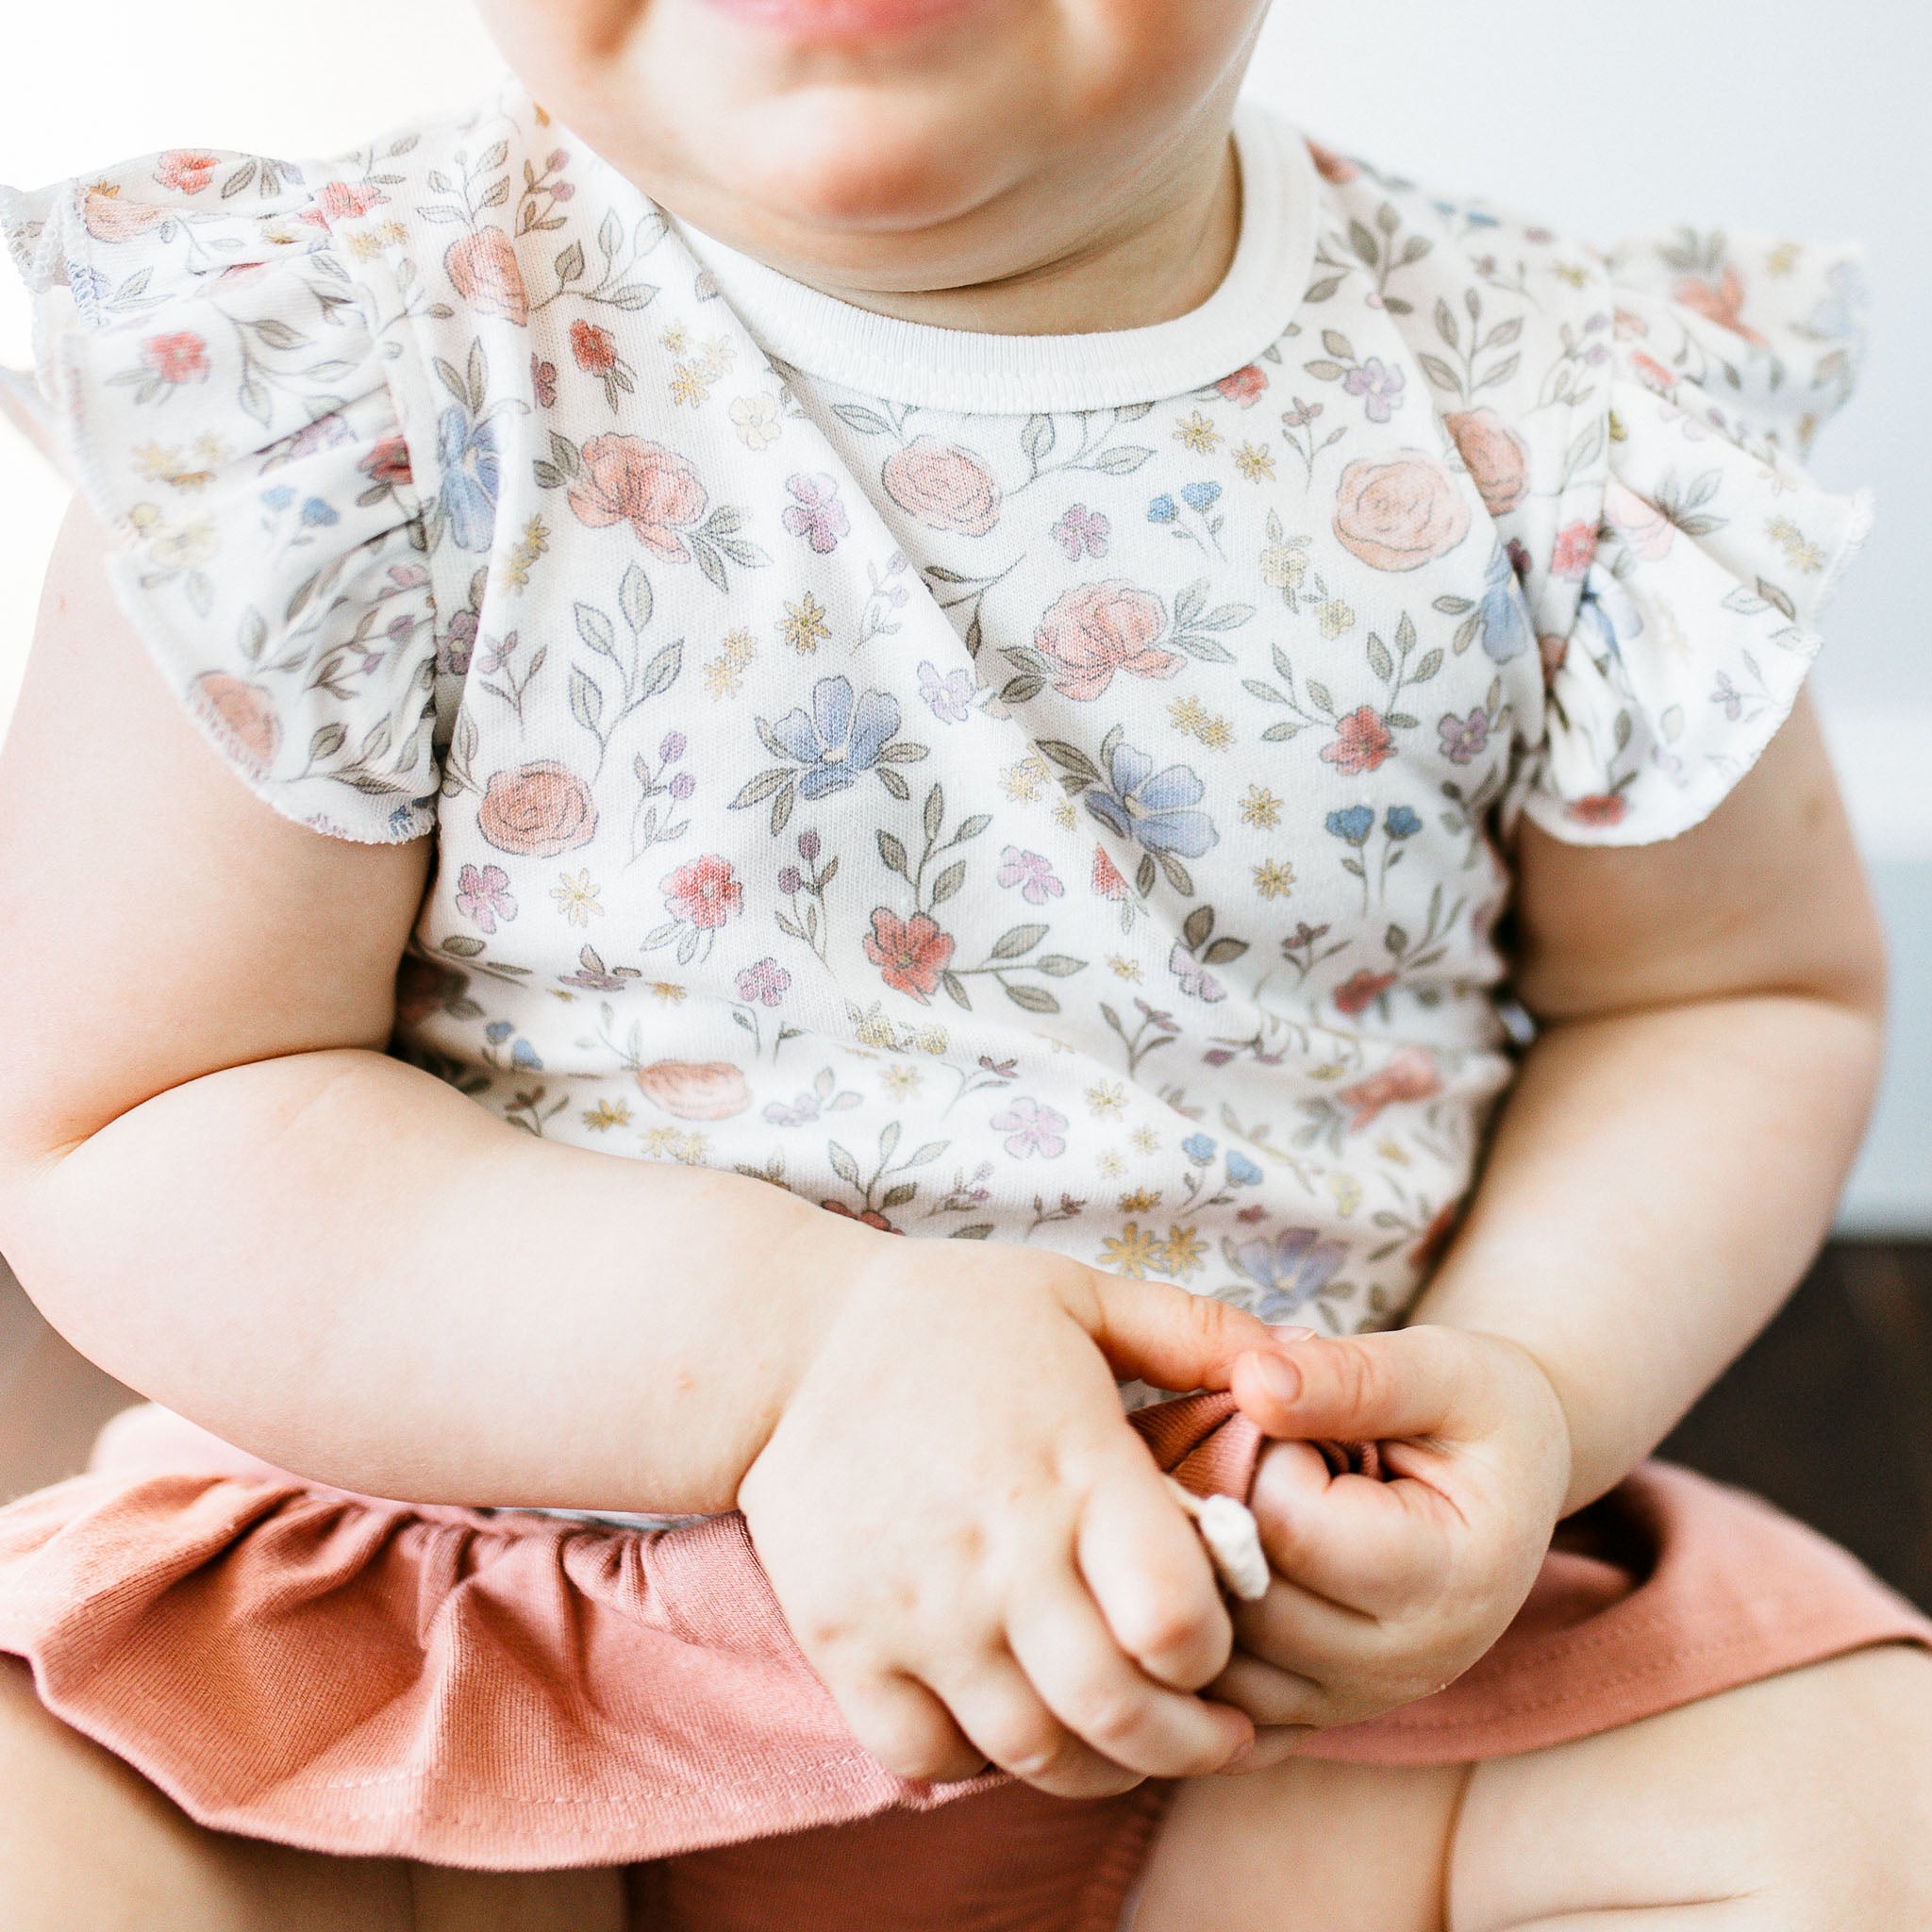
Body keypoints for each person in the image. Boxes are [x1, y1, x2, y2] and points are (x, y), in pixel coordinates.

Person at [1, 1, 1929, 1924]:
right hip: (469, 1650)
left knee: (1858, 1815)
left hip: (1282, 1694)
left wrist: (1532, 1372)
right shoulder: (330, 368)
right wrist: (791, 1357)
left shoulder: (1554, 407)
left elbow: (1723, 995)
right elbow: (140, 1109)